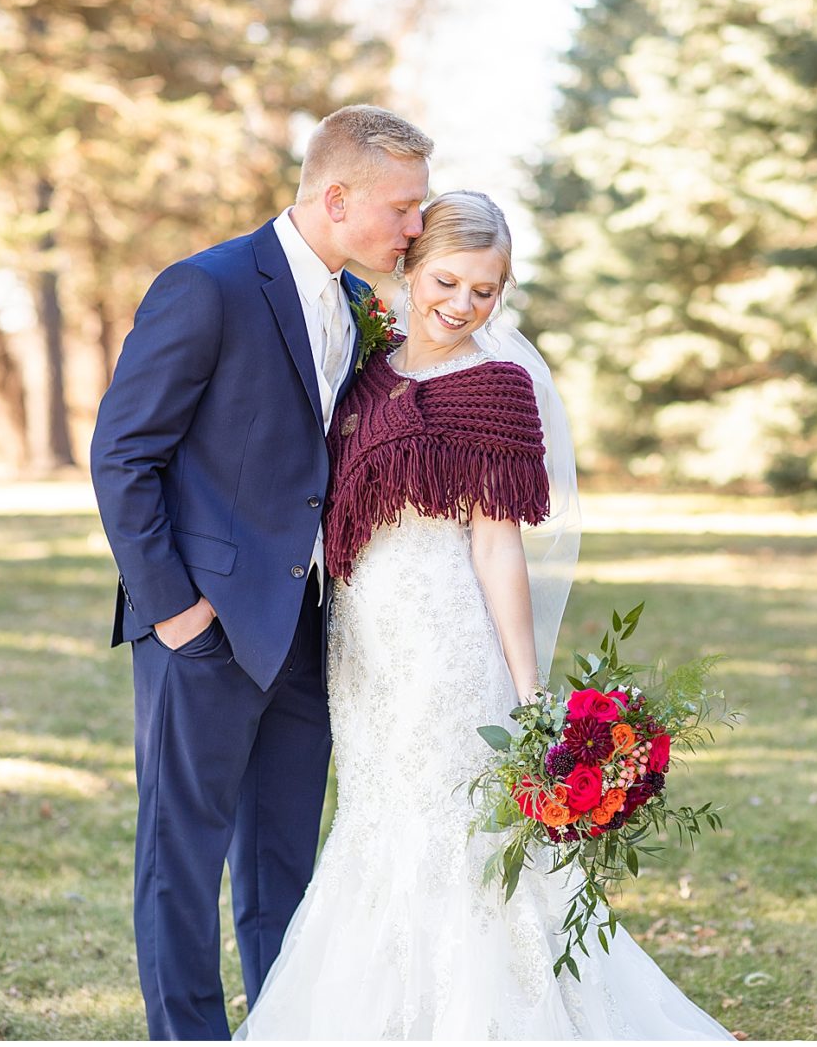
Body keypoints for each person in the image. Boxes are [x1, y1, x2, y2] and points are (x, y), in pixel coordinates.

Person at [235, 192, 735, 1040]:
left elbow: (497, 543)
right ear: (408, 265)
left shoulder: (496, 386)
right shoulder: (363, 367)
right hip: (362, 647)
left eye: (486, 291)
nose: (463, 305)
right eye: (449, 280)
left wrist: (526, 684)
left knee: (451, 828)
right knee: (374, 821)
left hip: (446, 644)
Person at [90, 105, 433, 1040]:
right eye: (404, 209)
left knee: (284, 863)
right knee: (182, 859)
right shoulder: (207, 287)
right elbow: (123, 455)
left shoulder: (358, 305)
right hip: (201, 629)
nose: (416, 226)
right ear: (337, 197)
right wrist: (175, 614)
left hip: (307, 627)